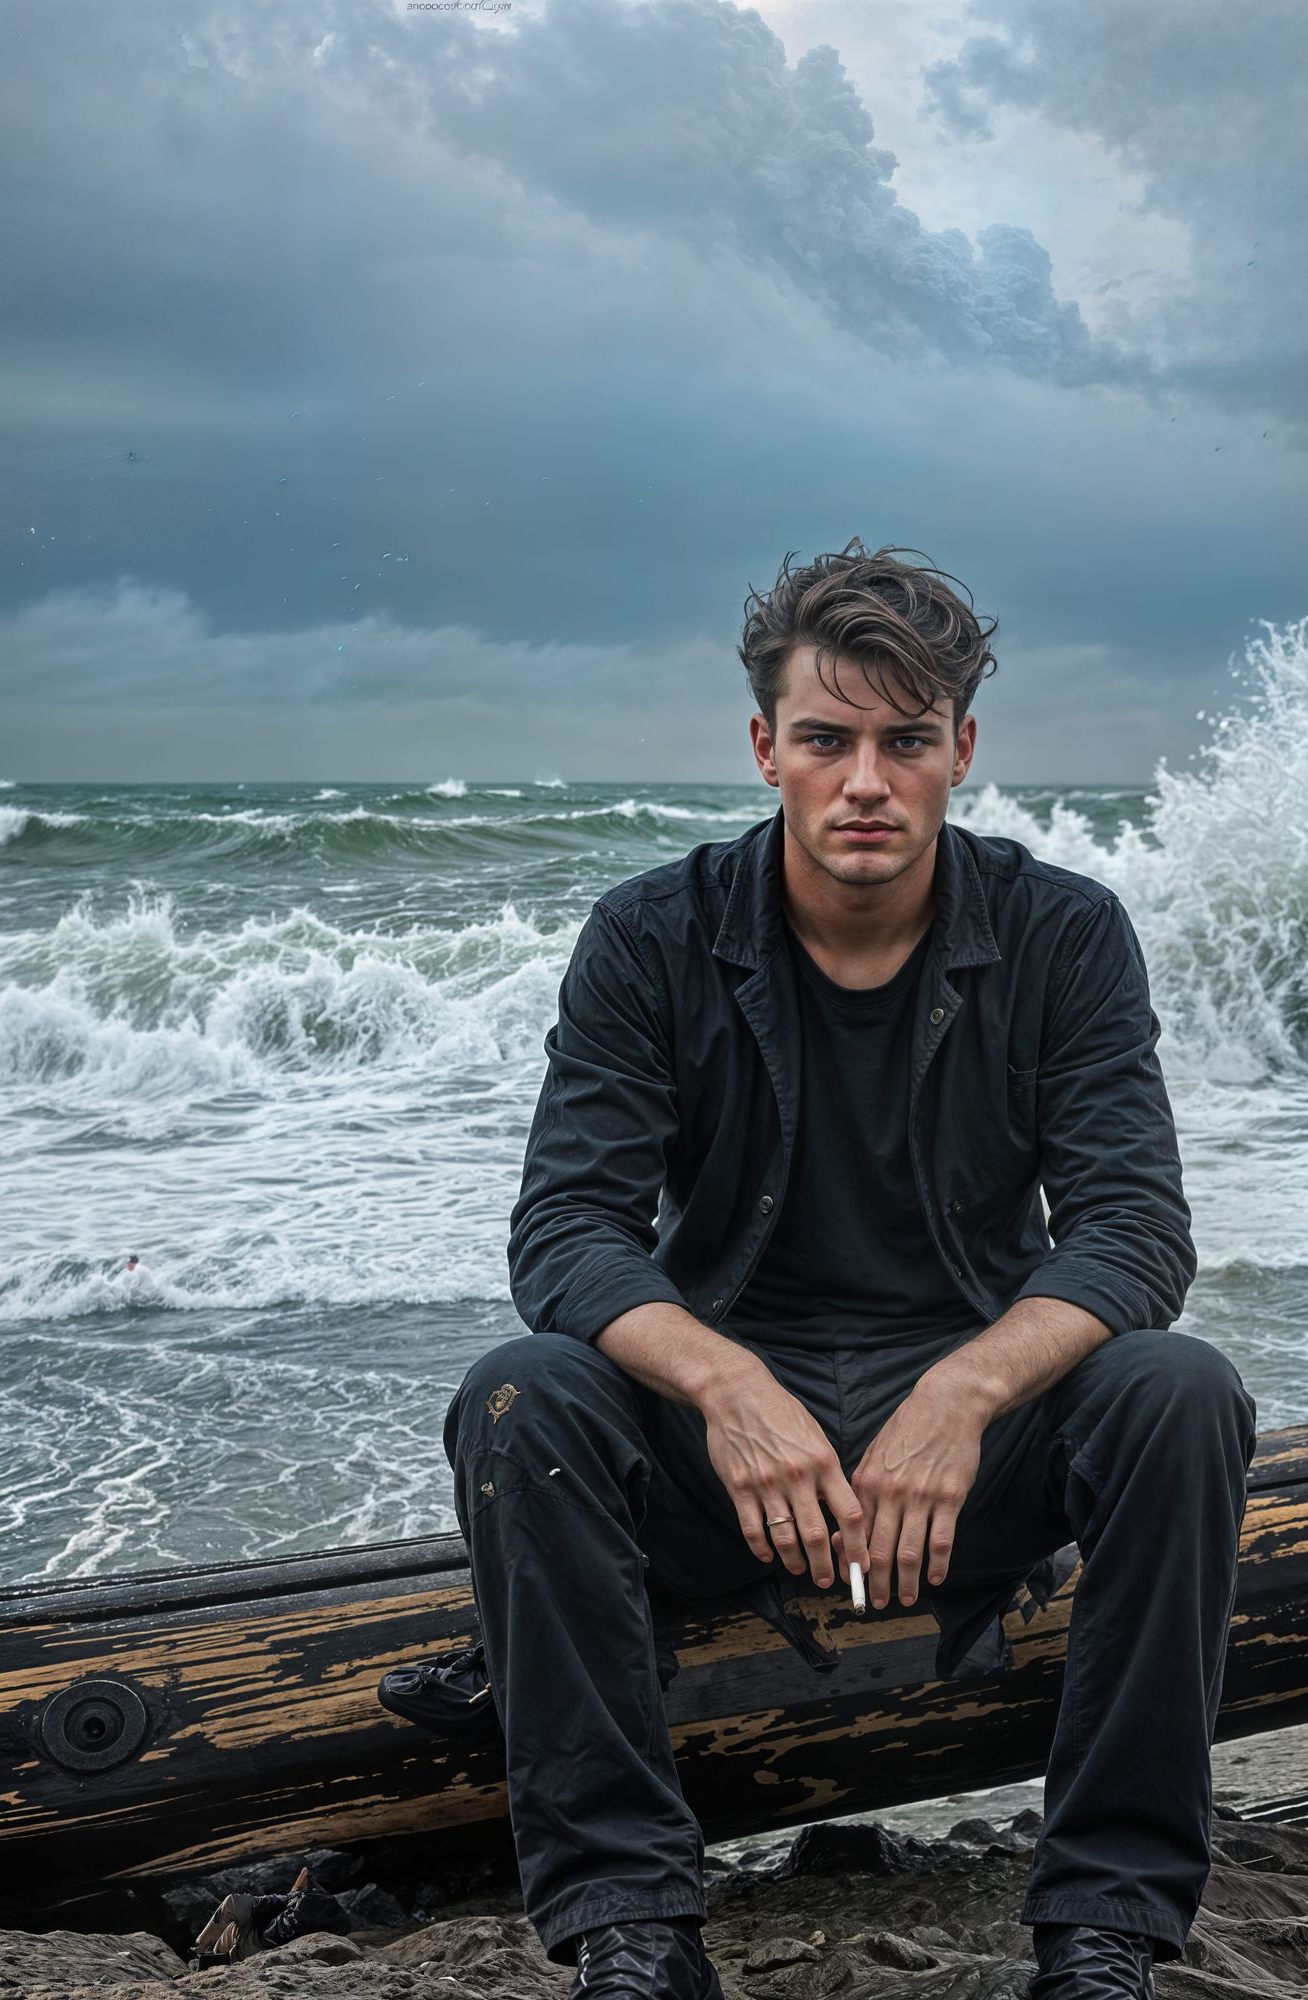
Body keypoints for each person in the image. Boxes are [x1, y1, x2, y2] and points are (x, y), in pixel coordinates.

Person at [446, 541, 1256, 1999]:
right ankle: (632, 1930)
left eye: (904, 741)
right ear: (767, 749)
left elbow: (1137, 1231)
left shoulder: (1064, 934)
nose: (864, 781)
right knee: (524, 1399)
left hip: (974, 1451)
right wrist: (722, 1380)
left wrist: (967, 1390)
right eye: (827, 740)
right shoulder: (652, 935)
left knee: (1179, 1393)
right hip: (728, 1448)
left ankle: (1105, 1930)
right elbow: (565, 1232)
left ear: (962, 750)